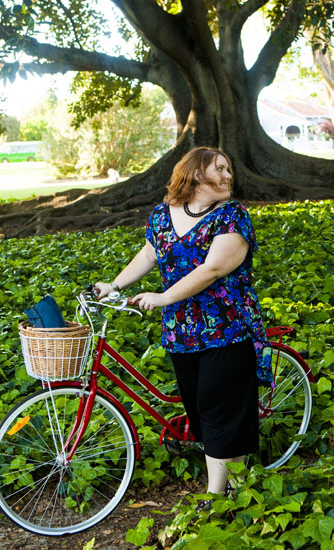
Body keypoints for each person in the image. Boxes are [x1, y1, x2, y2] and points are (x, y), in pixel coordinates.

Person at [94, 146, 272, 508]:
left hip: (228, 328)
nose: (227, 176)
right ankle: (237, 487)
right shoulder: (163, 215)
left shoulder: (232, 217)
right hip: (181, 332)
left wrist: (163, 298)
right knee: (202, 411)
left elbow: (214, 269)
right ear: (193, 174)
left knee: (217, 409)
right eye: (218, 169)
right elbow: (149, 254)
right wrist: (114, 285)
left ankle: (215, 499)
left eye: (228, 169)